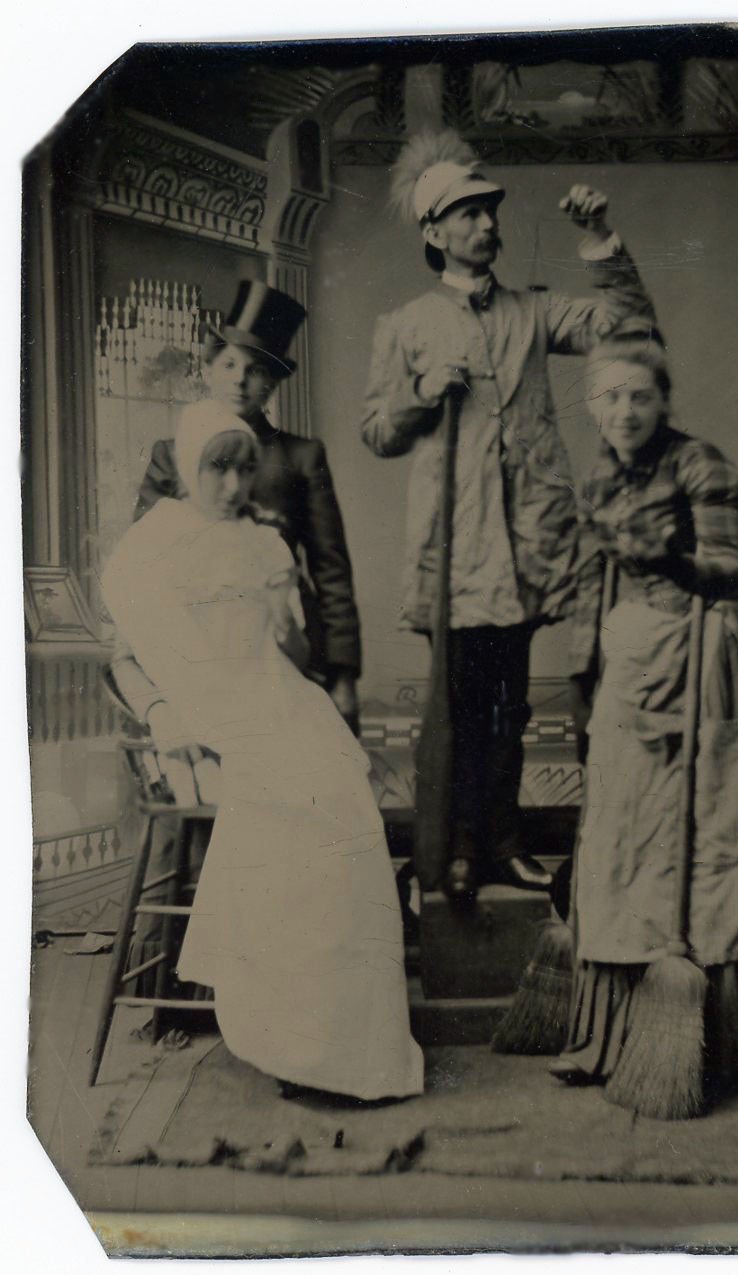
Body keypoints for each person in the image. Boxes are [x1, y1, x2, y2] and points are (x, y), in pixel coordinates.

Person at [550, 337, 738, 1103]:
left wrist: (674, 562)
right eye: (610, 397)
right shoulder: (598, 476)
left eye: (641, 398)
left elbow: (731, 569)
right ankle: (620, 1032)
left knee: (724, 835)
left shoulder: (701, 464)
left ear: (664, 403)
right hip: (638, 653)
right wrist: (584, 666)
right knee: (631, 830)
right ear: (593, 404)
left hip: (716, 656)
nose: (625, 411)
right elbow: (590, 581)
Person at [361, 130, 658, 901]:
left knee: (512, 704)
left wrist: (599, 240)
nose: (487, 226)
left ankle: (503, 841)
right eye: (467, 215)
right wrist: (423, 396)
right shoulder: (404, 326)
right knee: (459, 707)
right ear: (434, 232)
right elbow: (376, 433)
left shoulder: (534, 312)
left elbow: (631, 332)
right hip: (454, 553)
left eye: (489, 212)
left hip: (529, 544)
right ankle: (458, 848)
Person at [102, 399, 424, 1101]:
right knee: (295, 816)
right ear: (190, 469)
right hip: (208, 714)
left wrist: (286, 622)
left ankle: (343, 1043)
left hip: (275, 696)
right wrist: (164, 712)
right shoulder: (153, 544)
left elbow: (297, 654)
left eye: (243, 469)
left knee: (346, 808)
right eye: (217, 469)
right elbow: (132, 655)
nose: (230, 486)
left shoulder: (266, 543)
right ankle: (287, 1038)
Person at [113, 280, 361, 738]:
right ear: (208, 367)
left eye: (256, 370)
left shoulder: (300, 456)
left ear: (273, 382)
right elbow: (146, 565)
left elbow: (331, 570)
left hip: (284, 637)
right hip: (200, 636)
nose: (239, 380)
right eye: (228, 364)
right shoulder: (172, 455)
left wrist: (344, 675)